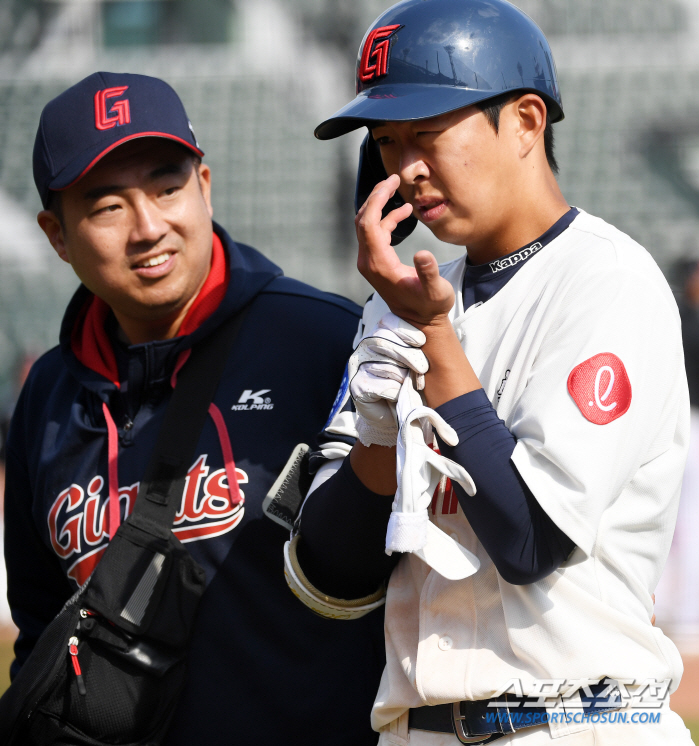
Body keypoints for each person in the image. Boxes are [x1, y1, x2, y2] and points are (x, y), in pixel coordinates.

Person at [288, 0, 696, 743]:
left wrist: (434, 340)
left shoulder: (607, 282)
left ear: (526, 122)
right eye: (385, 142)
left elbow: (528, 540)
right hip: (418, 728)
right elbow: (327, 579)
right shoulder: (394, 306)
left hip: (577, 722)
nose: (405, 168)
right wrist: (377, 443)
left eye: (428, 134)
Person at [3, 71, 386, 745]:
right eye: (106, 206)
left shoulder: (325, 342)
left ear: (204, 185)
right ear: (57, 236)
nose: (149, 227)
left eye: (167, 186)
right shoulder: (47, 396)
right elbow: (39, 630)